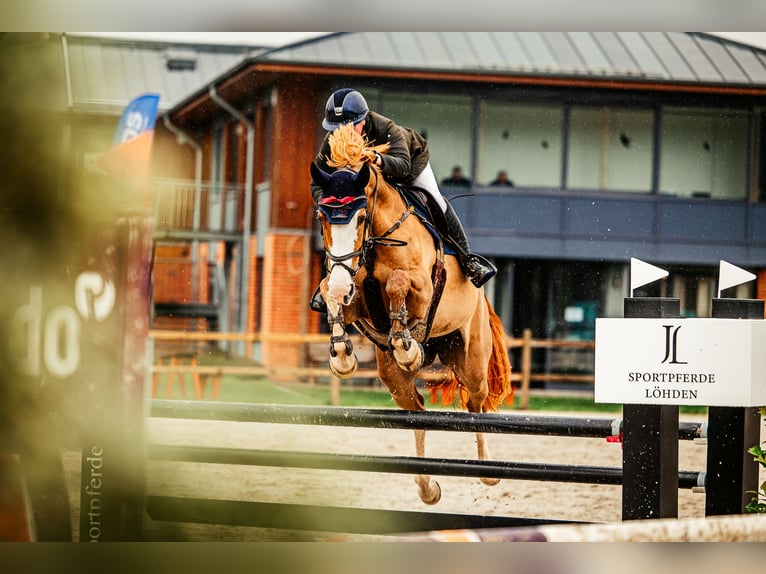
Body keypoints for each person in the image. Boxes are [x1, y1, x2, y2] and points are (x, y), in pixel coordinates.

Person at [309, 88, 496, 312]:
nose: (342, 133)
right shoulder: (332, 141)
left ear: (363, 120)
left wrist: (376, 158)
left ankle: (468, 260)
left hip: (409, 169)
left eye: (348, 127)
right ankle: (333, 280)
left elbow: (402, 165)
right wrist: (328, 203)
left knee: (436, 200)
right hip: (372, 182)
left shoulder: (386, 128)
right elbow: (317, 183)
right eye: (336, 128)